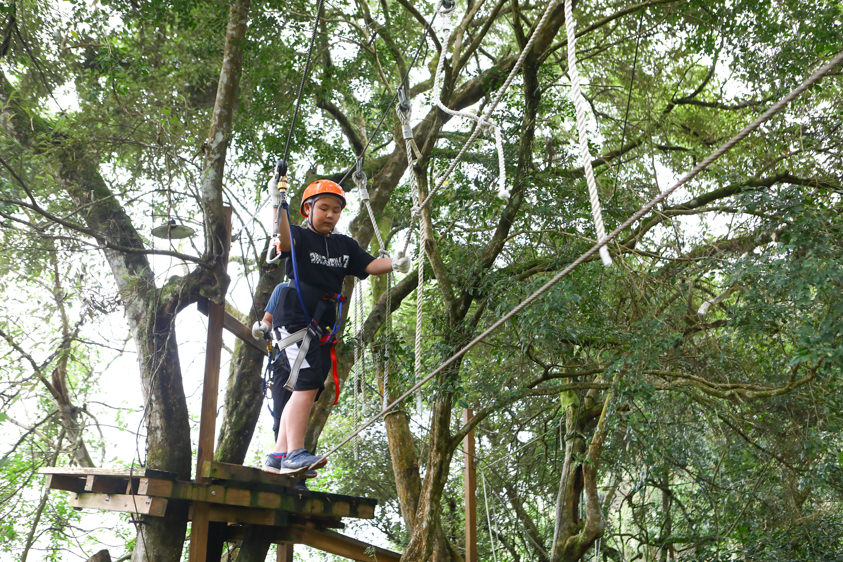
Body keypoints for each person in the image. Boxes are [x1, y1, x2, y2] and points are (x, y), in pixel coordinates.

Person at [252, 178, 410, 475]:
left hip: (321, 325)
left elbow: (369, 265)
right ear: (308, 209)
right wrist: (278, 204)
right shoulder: (299, 235)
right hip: (294, 315)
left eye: (336, 210)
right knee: (307, 381)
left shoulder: (344, 245)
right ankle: (294, 453)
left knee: (308, 386)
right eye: (323, 208)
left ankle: (278, 454)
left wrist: (394, 264)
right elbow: (283, 240)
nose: (330, 215)